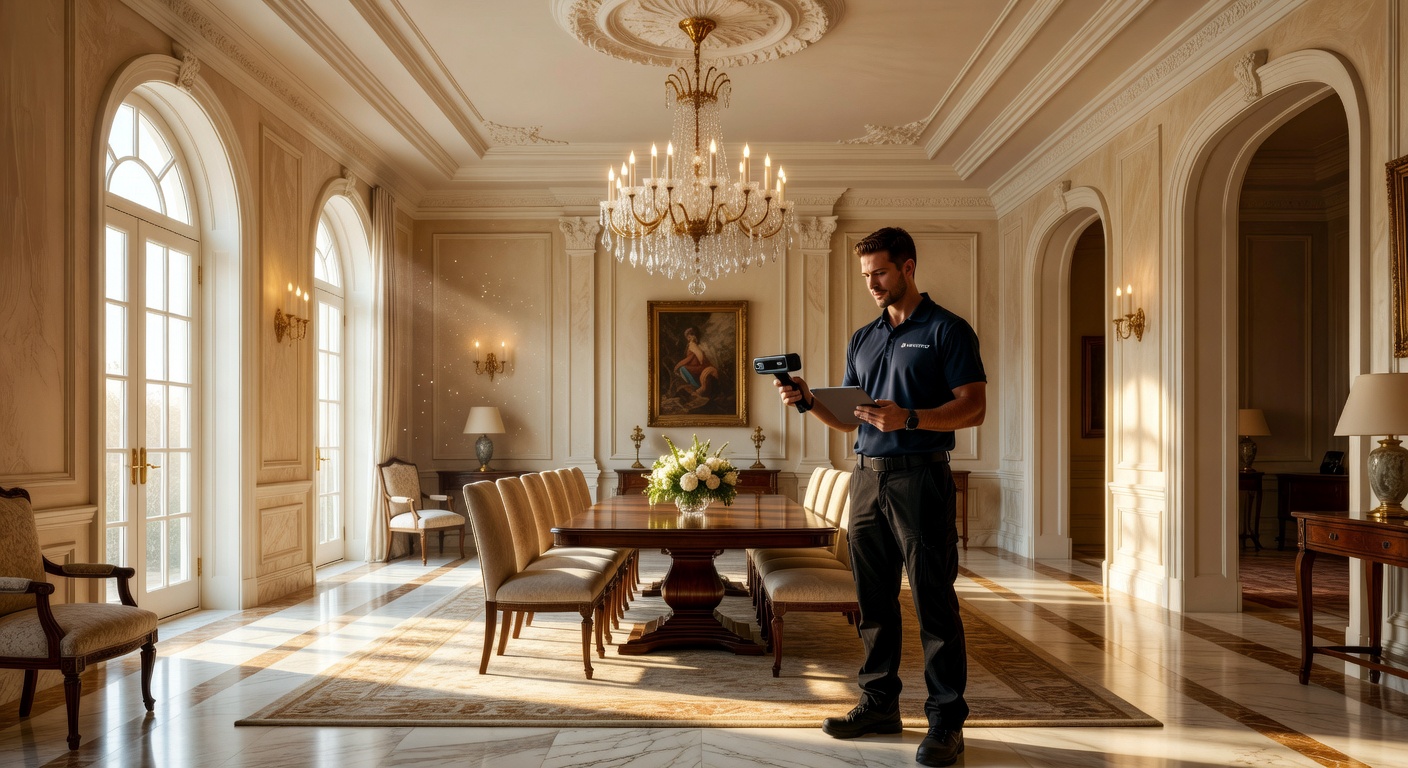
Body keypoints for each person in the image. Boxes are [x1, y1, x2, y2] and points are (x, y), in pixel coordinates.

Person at [774, 226, 986, 768]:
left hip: (921, 477)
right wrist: (807, 401)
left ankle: (945, 721)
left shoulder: (948, 330)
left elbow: (973, 407)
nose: (872, 283)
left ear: (908, 267)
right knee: (873, 599)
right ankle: (879, 704)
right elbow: (849, 421)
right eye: (866, 275)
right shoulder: (863, 337)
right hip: (865, 479)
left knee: (934, 600)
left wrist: (911, 417)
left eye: (880, 273)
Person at [672, 326, 720, 397]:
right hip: (696, 366)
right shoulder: (691, 345)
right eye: (688, 337)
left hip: (700, 366)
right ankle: (695, 386)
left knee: (683, 368)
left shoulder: (693, 345)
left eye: (690, 336)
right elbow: (690, 358)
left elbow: (696, 358)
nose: (689, 338)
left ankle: (696, 386)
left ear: (694, 336)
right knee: (683, 369)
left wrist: (678, 365)